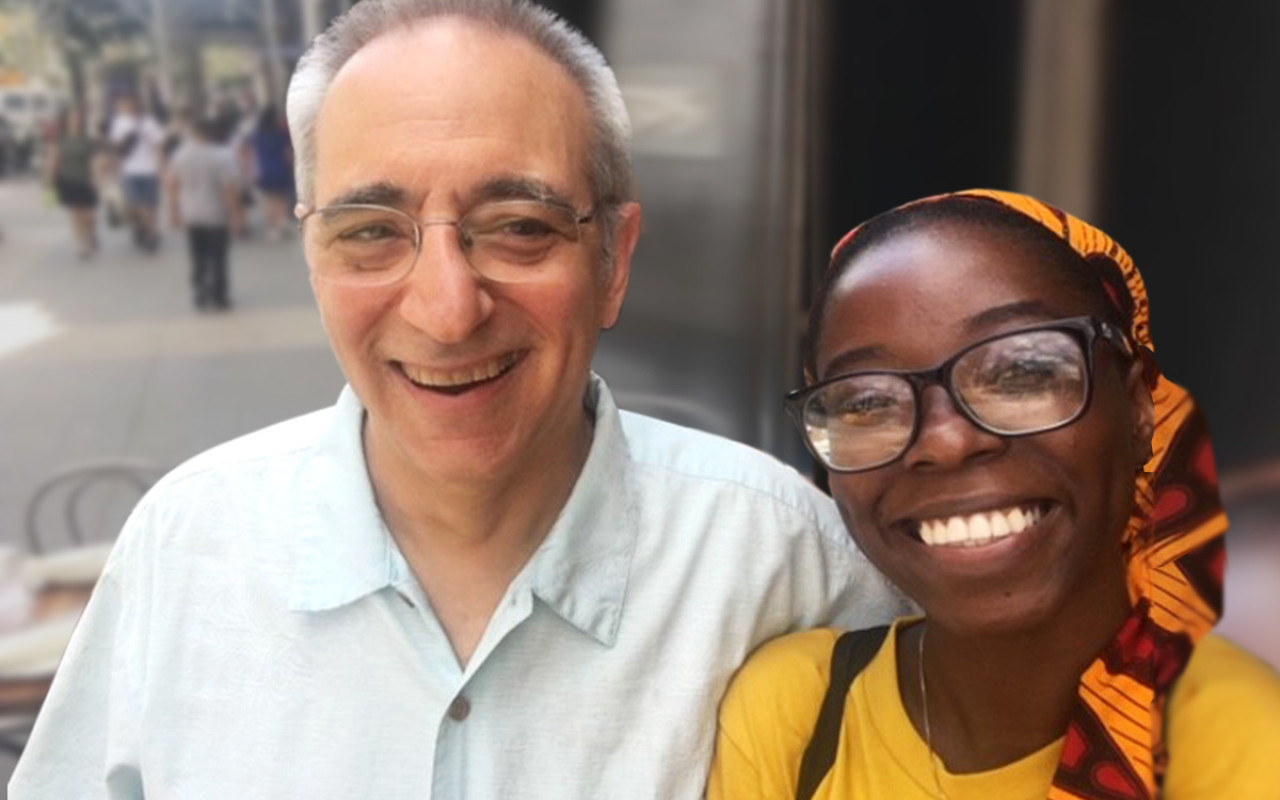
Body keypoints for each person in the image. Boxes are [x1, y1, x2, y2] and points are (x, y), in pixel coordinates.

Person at [9, 1, 905, 797]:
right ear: (313, 257)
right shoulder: (184, 548)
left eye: (519, 227)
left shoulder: (791, 565)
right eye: (369, 232)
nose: (446, 313)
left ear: (614, 261)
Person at [708, 189, 1280, 799]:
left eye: (1023, 374)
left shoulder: (1238, 746)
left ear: (1138, 408)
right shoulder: (803, 712)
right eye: (868, 402)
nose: (947, 442)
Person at [164, 115, 245, 309]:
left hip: (191, 214)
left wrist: (174, 212)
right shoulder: (222, 155)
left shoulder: (180, 155)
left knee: (198, 256)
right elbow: (230, 189)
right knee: (218, 257)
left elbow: (172, 185)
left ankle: (200, 292)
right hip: (216, 215)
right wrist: (237, 216)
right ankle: (219, 296)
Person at [108, 94, 166, 252]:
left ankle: (151, 233)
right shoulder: (119, 123)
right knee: (136, 205)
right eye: (125, 104)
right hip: (129, 170)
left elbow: (158, 147)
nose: (129, 107)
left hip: (149, 169)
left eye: (131, 104)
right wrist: (115, 169)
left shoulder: (149, 122)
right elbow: (117, 149)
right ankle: (145, 229)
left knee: (150, 204)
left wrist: (161, 169)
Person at [43, 107, 100, 260]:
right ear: (67, 121)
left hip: (86, 180)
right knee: (75, 214)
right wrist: (49, 181)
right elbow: (53, 161)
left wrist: (96, 178)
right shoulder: (61, 140)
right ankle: (81, 245)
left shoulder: (87, 139)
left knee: (88, 215)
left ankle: (90, 234)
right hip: (68, 180)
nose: (75, 121)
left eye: (78, 118)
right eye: (72, 118)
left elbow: (94, 160)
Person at [249, 104, 295, 240]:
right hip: (279, 169)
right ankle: (280, 226)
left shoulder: (257, 135)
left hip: (264, 170)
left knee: (270, 201)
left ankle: (272, 228)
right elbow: (288, 153)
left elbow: (250, 152)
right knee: (282, 199)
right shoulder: (280, 134)